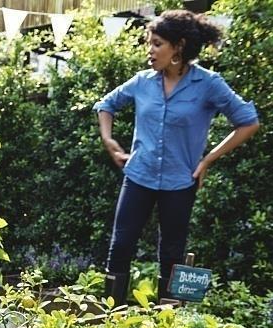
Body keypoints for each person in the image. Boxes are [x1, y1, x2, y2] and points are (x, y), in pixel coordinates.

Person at [94, 10, 259, 304]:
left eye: (157, 43)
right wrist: (109, 140)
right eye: (149, 43)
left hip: (180, 181)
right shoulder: (142, 81)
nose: (150, 50)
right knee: (120, 246)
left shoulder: (208, 84)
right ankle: (110, 318)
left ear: (178, 47)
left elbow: (248, 121)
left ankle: (167, 323)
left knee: (172, 253)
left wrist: (208, 159)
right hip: (139, 175)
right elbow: (106, 105)